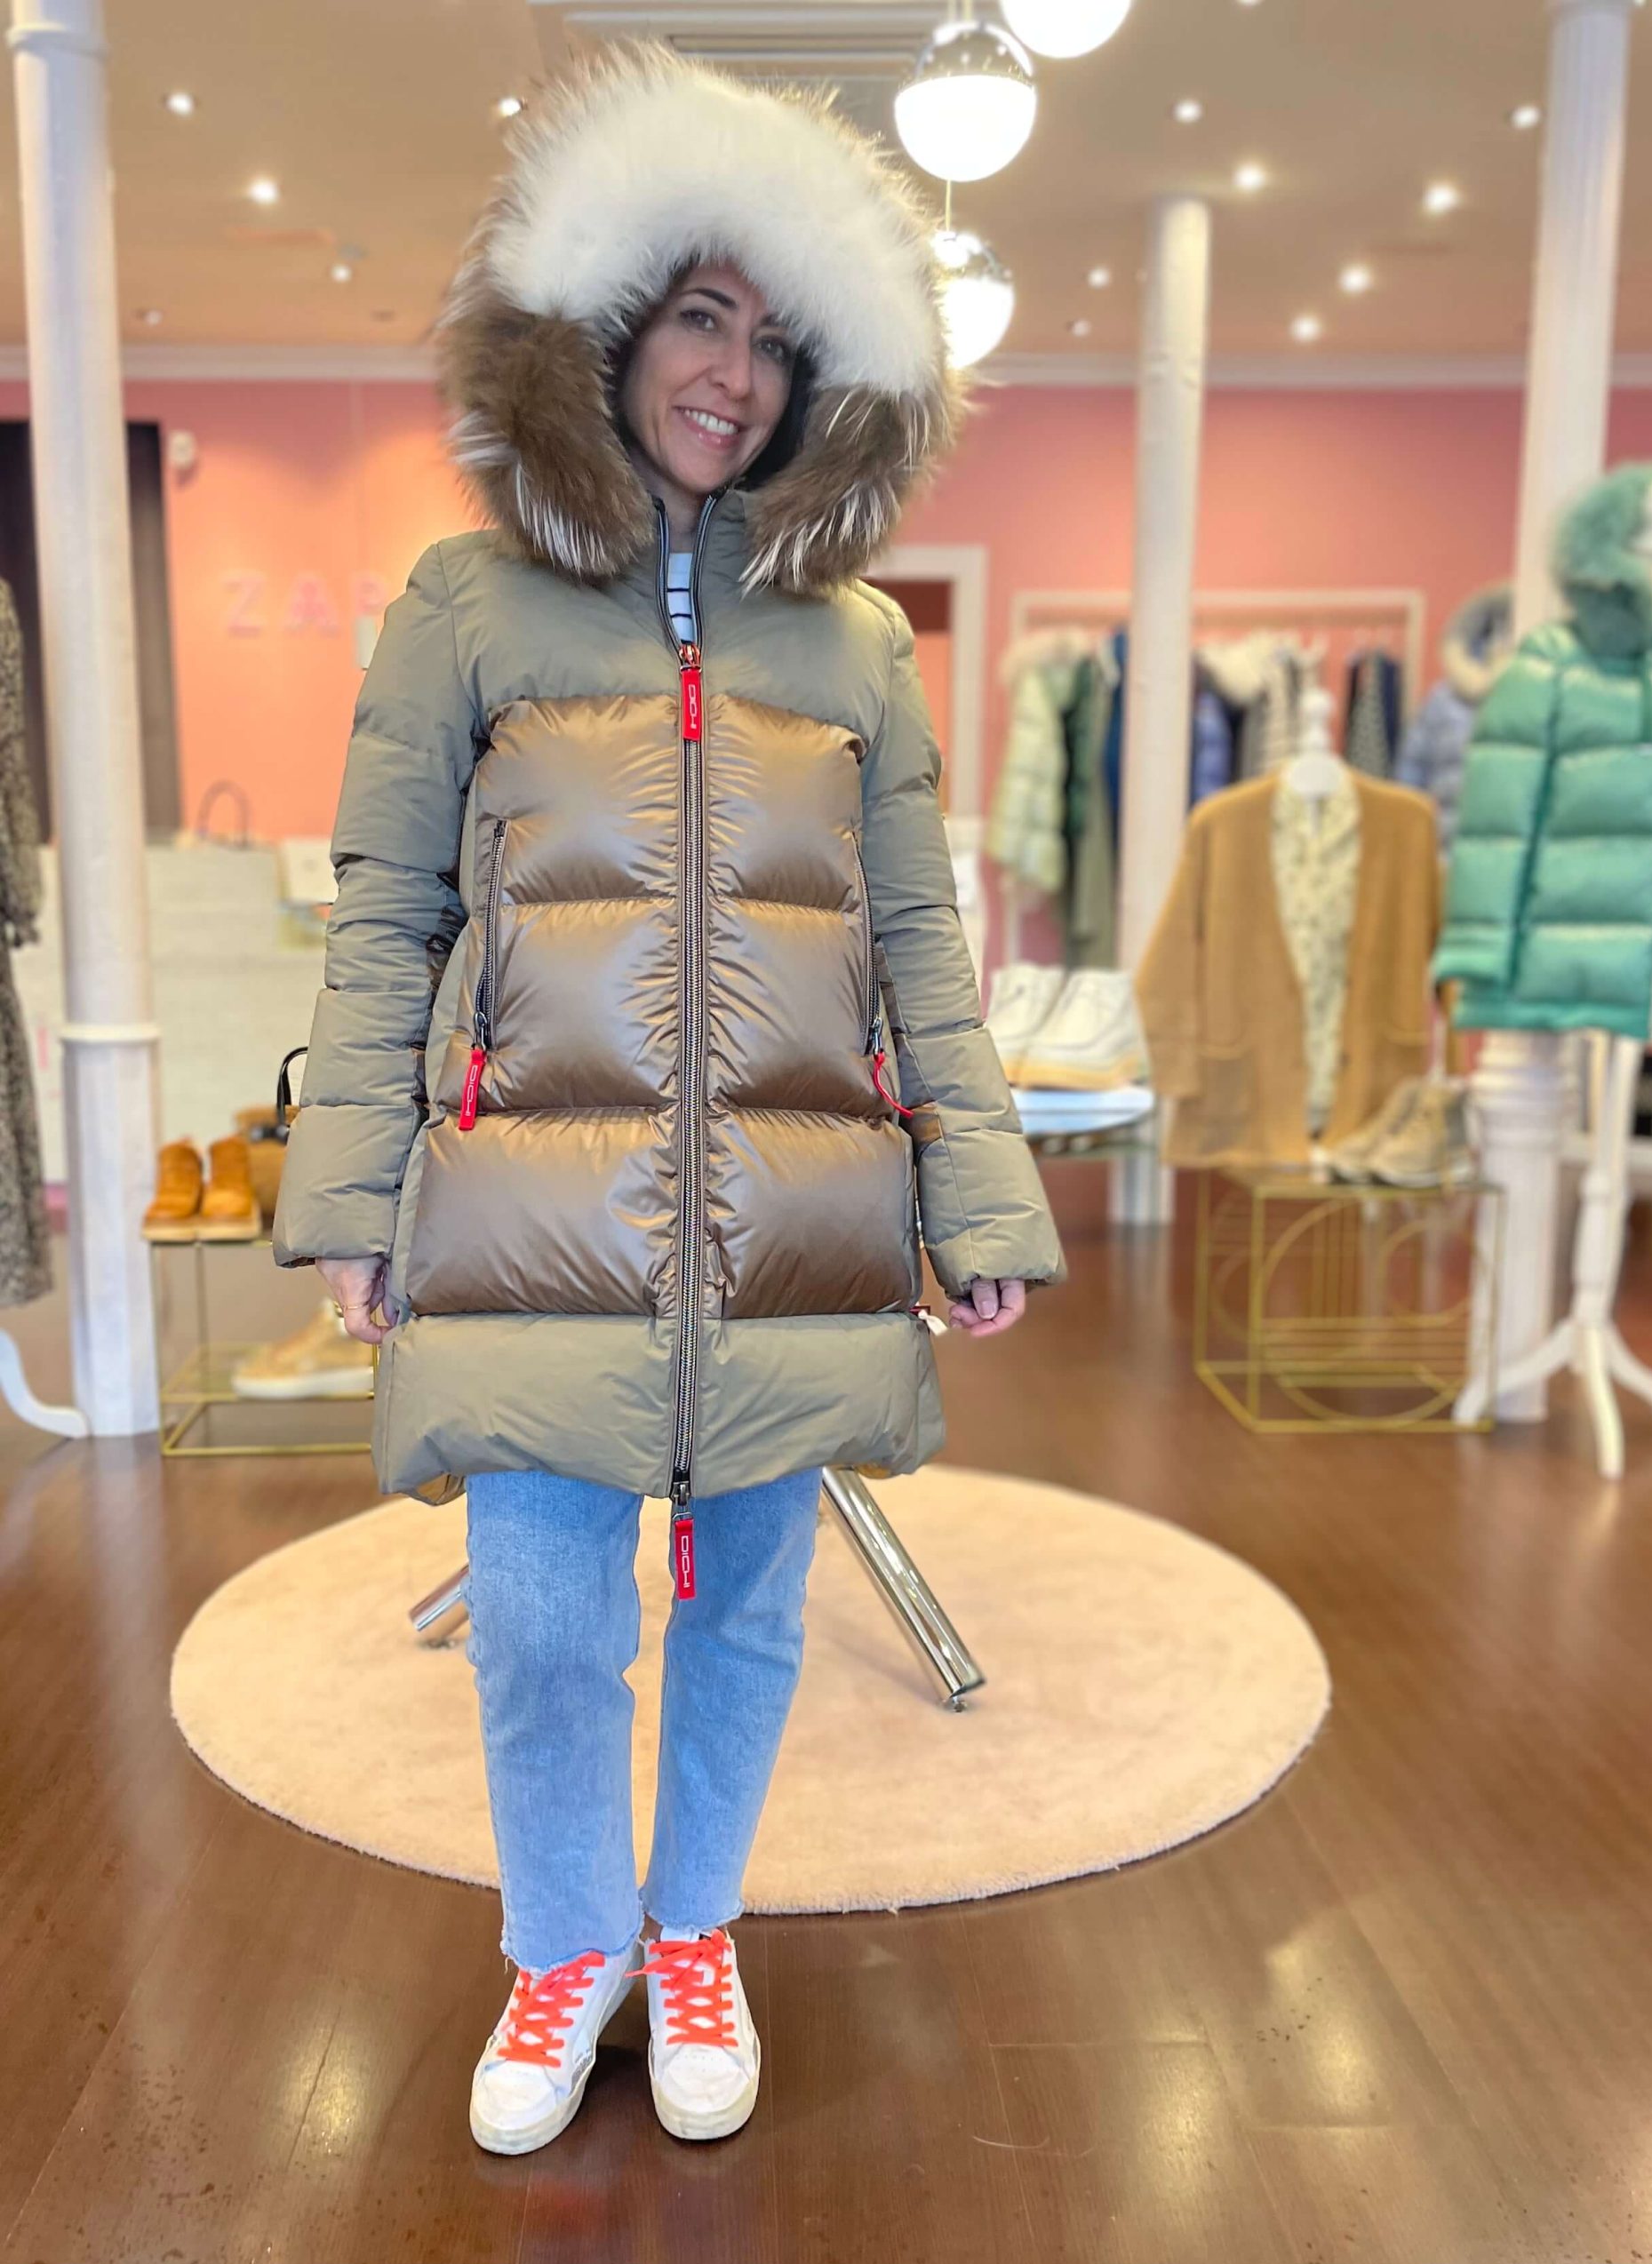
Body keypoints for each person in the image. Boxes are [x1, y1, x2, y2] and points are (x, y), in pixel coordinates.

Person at [273, 42, 1066, 2156]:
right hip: (523, 1210)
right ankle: (567, 1945)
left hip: (798, 1218)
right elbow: (386, 917)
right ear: (610, 328)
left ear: (823, 385)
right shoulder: (465, 605)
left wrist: (979, 1193)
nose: (732, 371)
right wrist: (347, 1192)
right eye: (701, 314)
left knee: (751, 1606)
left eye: (776, 339)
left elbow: (919, 942)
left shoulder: (860, 646)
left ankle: (692, 1923)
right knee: (541, 1624)